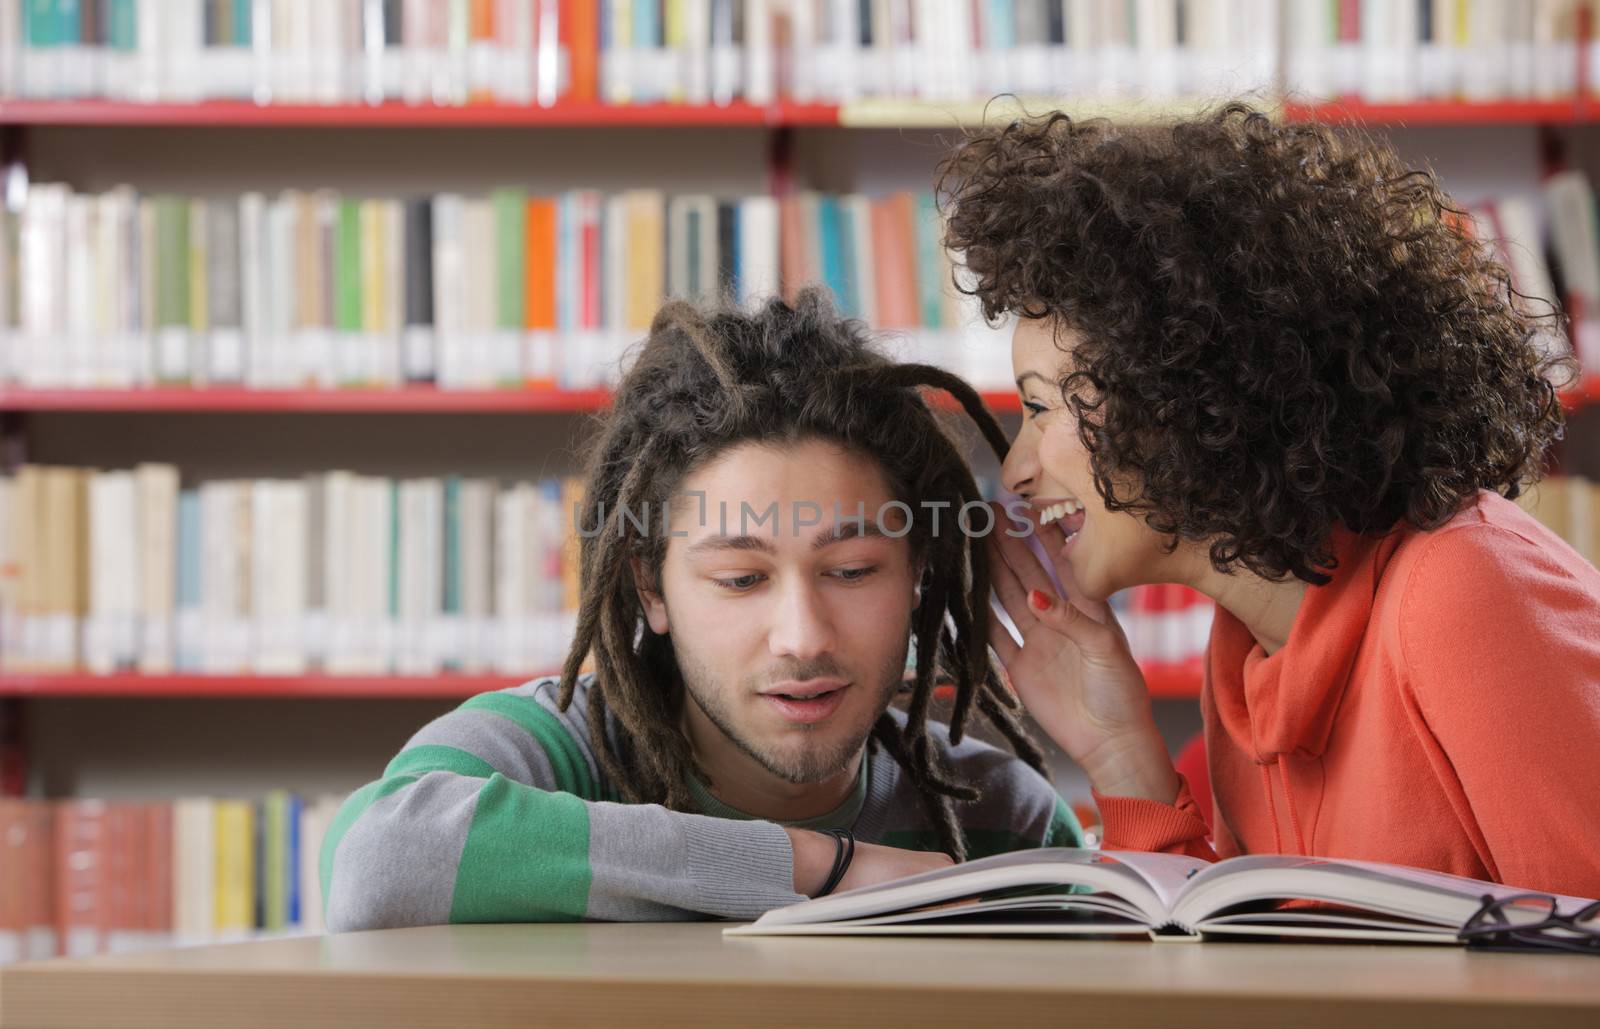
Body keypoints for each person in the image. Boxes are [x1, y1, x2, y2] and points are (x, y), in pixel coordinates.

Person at [940, 103, 1600, 898]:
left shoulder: (1462, 594)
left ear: (1189, 390)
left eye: (1042, 407)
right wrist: (1121, 752)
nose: (1013, 470)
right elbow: (1235, 968)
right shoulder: (1249, 650)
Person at [319, 290, 1082, 931]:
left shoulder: (1003, 821)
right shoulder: (550, 756)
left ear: (919, 572)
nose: (803, 636)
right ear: (650, 588)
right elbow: (380, 858)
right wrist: (825, 868)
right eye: (741, 578)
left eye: (851, 570)